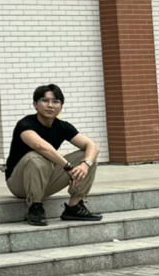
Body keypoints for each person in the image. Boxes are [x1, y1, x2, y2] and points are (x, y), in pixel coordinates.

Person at [6, 85, 103, 226]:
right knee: (35, 158)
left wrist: (85, 164)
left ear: (61, 106)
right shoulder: (25, 124)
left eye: (55, 101)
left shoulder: (62, 126)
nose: (50, 105)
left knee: (87, 156)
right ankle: (35, 207)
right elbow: (40, 146)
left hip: (46, 180)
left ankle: (74, 206)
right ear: (35, 105)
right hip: (19, 183)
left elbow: (93, 146)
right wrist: (67, 166)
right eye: (45, 100)